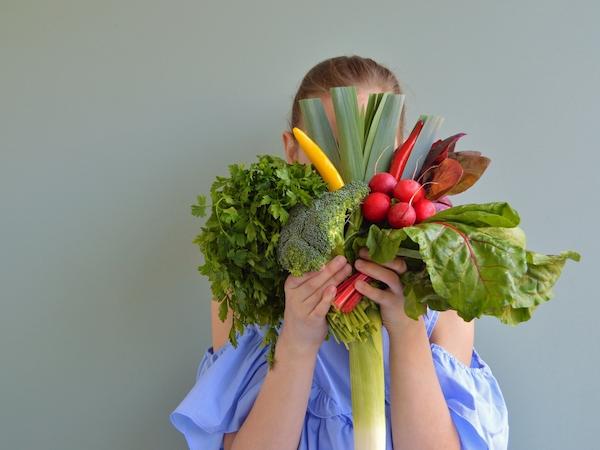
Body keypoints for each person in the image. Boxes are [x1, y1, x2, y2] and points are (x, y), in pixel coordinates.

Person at [170, 55, 509, 450]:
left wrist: (406, 328)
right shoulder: (243, 277)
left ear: (404, 153)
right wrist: (297, 341)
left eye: (374, 150)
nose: (351, 173)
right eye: (330, 148)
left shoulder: (439, 270)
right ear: (293, 150)